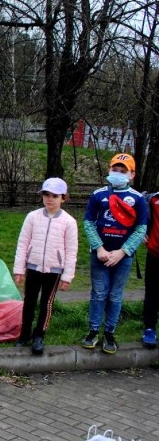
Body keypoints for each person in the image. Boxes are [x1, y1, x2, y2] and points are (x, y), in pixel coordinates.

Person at [82, 152, 148, 354]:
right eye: (115, 169)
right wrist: (99, 248)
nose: (118, 173)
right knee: (99, 294)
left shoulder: (137, 199)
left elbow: (141, 229)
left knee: (115, 295)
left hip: (123, 257)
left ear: (132, 174)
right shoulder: (98, 195)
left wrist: (123, 251)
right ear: (109, 170)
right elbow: (88, 223)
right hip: (99, 255)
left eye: (123, 171)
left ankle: (110, 333)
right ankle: (93, 331)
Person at [12, 177, 78, 355]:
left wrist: (67, 276)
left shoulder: (69, 222)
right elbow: (23, 243)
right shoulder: (32, 217)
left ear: (63, 198)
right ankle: (24, 334)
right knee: (29, 302)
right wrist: (19, 269)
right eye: (46, 195)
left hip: (54, 269)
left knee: (46, 303)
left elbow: (72, 250)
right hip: (33, 267)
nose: (50, 199)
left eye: (55, 196)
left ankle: (39, 335)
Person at [142, 191, 159, 349]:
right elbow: (141, 217)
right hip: (155, 254)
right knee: (152, 293)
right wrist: (143, 232)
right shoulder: (153, 199)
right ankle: (149, 329)